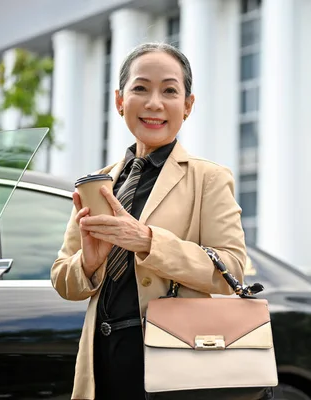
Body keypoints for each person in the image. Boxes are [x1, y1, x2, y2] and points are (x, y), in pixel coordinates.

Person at [50, 42, 247, 400]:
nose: (154, 103)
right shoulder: (97, 183)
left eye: (169, 90)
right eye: (140, 88)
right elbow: (64, 279)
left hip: (173, 358)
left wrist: (147, 240)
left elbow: (231, 270)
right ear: (120, 100)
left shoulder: (209, 179)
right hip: (103, 360)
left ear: (187, 105)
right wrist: (90, 263)